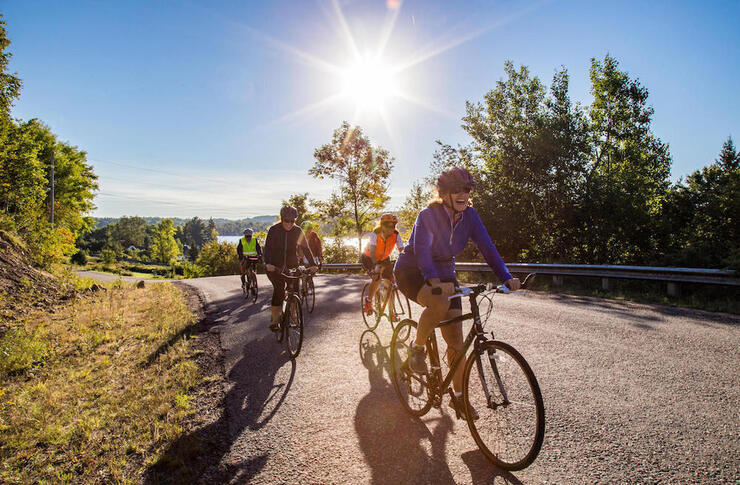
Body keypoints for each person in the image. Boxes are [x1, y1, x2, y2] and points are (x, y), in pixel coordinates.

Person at [393, 167, 520, 420]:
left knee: (456, 344)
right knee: (439, 304)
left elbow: (487, 247)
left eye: (467, 189)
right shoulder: (428, 214)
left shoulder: (470, 216)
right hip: (413, 270)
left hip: (445, 274)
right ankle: (417, 348)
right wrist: (432, 280)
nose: (463, 194)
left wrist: (506, 277)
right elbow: (422, 250)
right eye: (456, 190)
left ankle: (460, 399)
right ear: (445, 193)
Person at [263, 206, 317, 331]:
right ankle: (275, 319)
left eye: (293, 221)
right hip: (275, 266)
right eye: (287, 220)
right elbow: (268, 249)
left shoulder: (298, 231)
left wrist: (312, 264)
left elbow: (306, 249)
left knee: (295, 291)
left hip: (292, 265)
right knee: (279, 289)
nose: (290, 223)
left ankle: (293, 314)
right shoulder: (274, 230)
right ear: (282, 219)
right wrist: (268, 264)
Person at [361, 213, 404, 316]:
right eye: (388, 225)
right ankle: (369, 301)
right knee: (377, 277)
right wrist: (376, 266)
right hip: (369, 258)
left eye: (393, 225)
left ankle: (391, 312)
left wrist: (407, 260)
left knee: (390, 284)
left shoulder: (396, 235)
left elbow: (402, 250)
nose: (391, 228)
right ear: (382, 225)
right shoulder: (375, 234)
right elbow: (372, 251)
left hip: (384, 258)